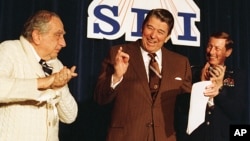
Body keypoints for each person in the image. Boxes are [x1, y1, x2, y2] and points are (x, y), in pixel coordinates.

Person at [94, 8, 192, 141]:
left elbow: (186, 106)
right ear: (142, 28)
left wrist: (205, 92)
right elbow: (100, 98)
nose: (153, 35)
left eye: (160, 32)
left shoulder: (180, 62)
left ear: (167, 37)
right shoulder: (118, 53)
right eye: (150, 28)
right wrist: (117, 77)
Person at [0, 10, 78, 141]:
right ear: (37, 36)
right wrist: (45, 82)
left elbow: (70, 117)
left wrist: (59, 86)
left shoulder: (56, 64)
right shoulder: (10, 50)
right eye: (58, 35)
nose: (63, 43)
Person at [186, 32, 247, 141]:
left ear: (228, 52)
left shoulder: (237, 76)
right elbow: (184, 110)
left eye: (217, 48)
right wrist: (201, 84)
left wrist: (220, 90)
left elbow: (237, 112)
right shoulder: (193, 72)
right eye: (210, 46)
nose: (211, 52)